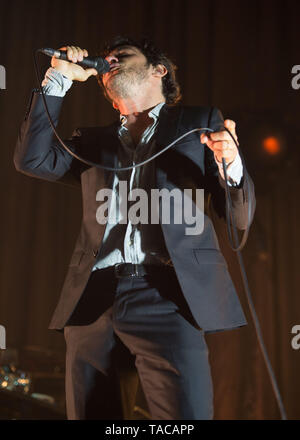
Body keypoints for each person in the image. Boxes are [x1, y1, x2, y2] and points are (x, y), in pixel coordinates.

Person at [14, 36, 255, 420]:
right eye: (106, 60)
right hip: (94, 299)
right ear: (108, 94)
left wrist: (233, 165)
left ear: (158, 70)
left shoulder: (198, 124)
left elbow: (238, 219)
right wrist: (57, 78)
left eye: (121, 56)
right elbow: (33, 159)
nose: (109, 60)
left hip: (169, 295)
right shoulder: (93, 140)